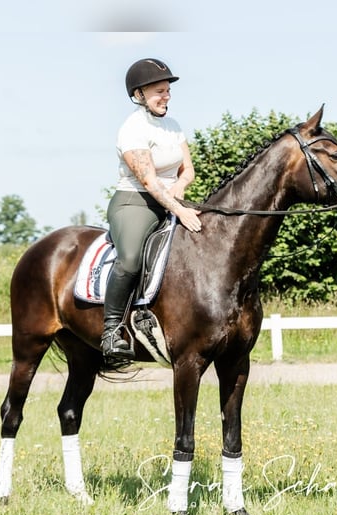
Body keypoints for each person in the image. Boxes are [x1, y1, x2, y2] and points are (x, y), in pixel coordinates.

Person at [101, 58, 202, 360]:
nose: (166, 96)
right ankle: (111, 332)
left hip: (171, 199)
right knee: (131, 260)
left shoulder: (173, 126)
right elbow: (149, 181)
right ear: (140, 94)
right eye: (159, 91)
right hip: (136, 202)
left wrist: (181, 189)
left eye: (168, 90)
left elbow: (188, 170)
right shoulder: (132, 129)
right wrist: (180, 211)